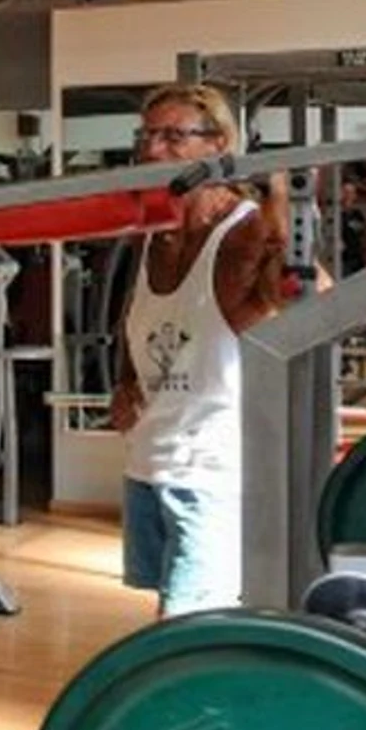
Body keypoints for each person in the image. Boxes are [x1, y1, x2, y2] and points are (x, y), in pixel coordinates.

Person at [109, 85, 284, 615]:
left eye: (172, 136)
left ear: (218, 144)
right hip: (149, 462)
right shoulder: (153, 234)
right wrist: (125, 380)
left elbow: (309, 295)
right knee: (170, 613)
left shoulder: (245, 232)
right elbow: (137, 319)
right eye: (146, 136)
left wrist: (281, 201)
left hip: (212, 474)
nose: (152, 150)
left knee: (185, 626)